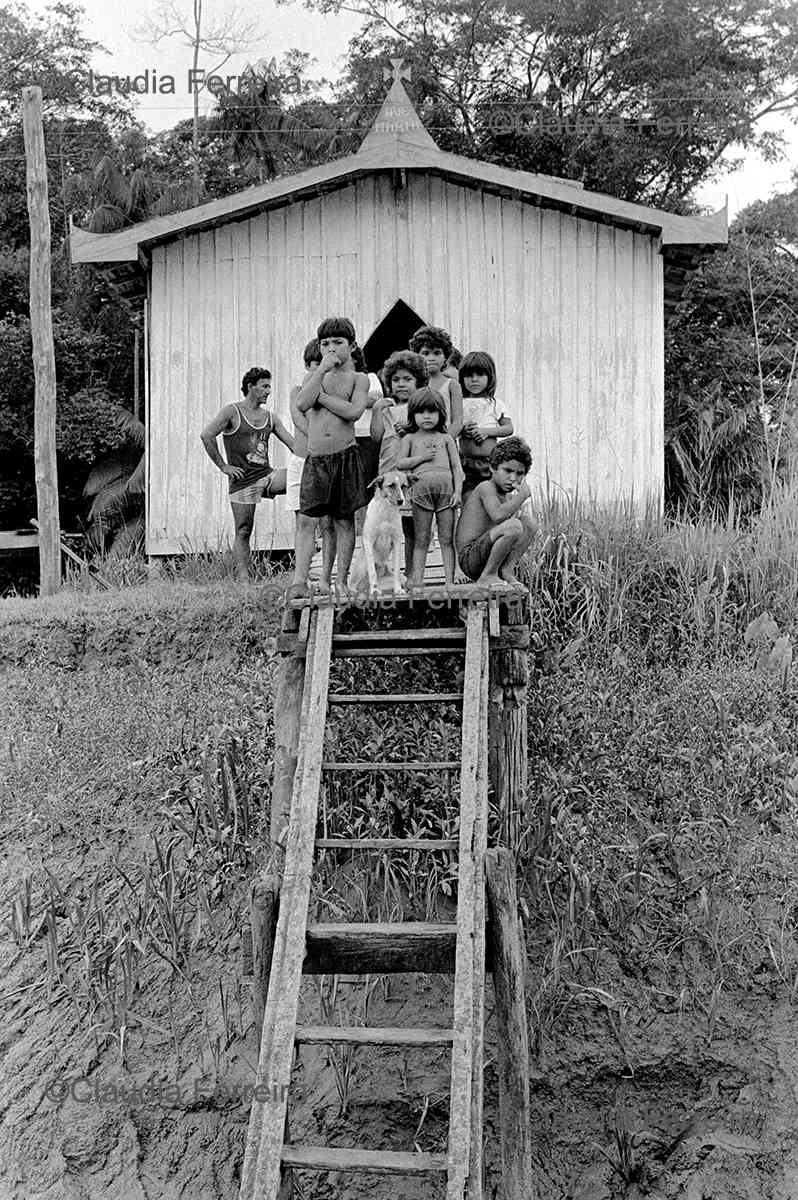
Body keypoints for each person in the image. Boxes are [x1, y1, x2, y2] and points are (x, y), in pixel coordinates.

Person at [289, 316, 369, 600]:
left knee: (344, 521)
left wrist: (321, 398)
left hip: (345, 456)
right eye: (325, 343)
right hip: (316, 458)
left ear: (352, 346)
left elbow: (353, 412)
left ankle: (340, 581)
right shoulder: (313, 377)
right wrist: (320, 372)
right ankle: (300, 580)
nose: (331, 348)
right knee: (308, 520)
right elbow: (301, 402)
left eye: (338, 342)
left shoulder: (359, 378)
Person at [200, 366, 293, 582]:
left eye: (269, 386)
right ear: (251, 387)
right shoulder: (231, 412)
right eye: (264, 386)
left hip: (267, 475)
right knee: (243, 530)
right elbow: (206, 435)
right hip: (243, 482)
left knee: (303, 478)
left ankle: (312, 535)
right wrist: (224, 466)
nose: (269, 391)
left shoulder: (271, 417)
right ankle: (243, 581)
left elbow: (293, 444)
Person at [396, 387, 464, 590]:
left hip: (447, 495)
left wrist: (458, 491)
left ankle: (450, 580)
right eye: (421, 412)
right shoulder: (409, 439)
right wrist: (422, 459)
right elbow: (400, 463)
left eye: (432, 411)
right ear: (412, 415)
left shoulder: (446, 439)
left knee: (446, 537)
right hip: (420, 495)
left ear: (441, 414)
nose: (426, 416)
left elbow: (456, 467)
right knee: (422, 537)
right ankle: (417, 580)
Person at [370, 350, 428, 580]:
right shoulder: (386, 408)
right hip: (388, 473)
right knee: (388, 525)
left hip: (411, 475)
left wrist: (412, 427)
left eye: (407, 379)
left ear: (419, 382)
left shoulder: (421, 408)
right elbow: (376, 437)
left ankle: (413, 572)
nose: (401, 384)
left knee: (413, 525)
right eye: (396, 380)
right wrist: (376, 411)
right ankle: (386, 570)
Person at [455, 436, 536, 590]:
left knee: (529, 524)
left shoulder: (507, 497)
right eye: (508, 471)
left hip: (485, 554)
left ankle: (505, 570)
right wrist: (522, 495)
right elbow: (498, 516)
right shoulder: (486, 488)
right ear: (493, 468)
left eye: (520, 473)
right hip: (470, 559)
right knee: (514, 526)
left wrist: (516, 499)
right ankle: (487, 576)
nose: (513, 478)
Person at [287, 338, 336, 581]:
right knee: (304, 522)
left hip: (326, 463)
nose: (320, 368)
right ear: (308, 365)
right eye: (315, 363)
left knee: (328, 524)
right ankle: (300, 579)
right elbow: (299, 420)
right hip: (302, 460)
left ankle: (327, 578)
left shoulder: (333, 393)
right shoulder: (298, 392)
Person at [458, 350, 514, 498]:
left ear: (490, 377)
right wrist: (462, 430)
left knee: (492, 498)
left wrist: (486, 431)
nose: (474, 380)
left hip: (489, 463)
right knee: (468, 498)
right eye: (469, 375)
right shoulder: (458, 403)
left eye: (480, 375)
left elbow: (508, 428)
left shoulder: (495, 404)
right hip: (465, 463)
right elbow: (450, 427)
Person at [408, 325, 463, 437]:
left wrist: (443, 443)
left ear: (445, 357)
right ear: (417, 355)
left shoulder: (452, 385)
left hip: (445, 445)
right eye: (425, 353)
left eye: (437, 353)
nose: (431, 358)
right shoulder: (413, 384)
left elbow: (457, 422)